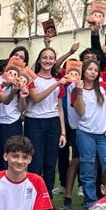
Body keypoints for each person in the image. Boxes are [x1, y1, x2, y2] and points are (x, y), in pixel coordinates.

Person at [70, 59, 106, 209]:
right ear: (83, 71)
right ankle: (90, 201)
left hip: (104, 133)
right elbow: (81, 111)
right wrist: (78, 92)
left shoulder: (103, 86)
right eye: (89, 69)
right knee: (87, 167)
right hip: (85, 133)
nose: (93, 72)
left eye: (95, 70)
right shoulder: (76, 89)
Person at [24, 46, 66, 197]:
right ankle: (33, 197)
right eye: (44, 57)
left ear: (55, 61)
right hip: (34, 122)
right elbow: (35, 98)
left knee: (50, 162)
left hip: (53, 123)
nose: (47, 61)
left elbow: (60, 108)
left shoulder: (57, 81)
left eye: (51, 58)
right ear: (39, 60)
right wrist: (56, 84)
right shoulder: (32, 78)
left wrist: (63, 132)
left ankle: (47, 197)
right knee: (35, 162)